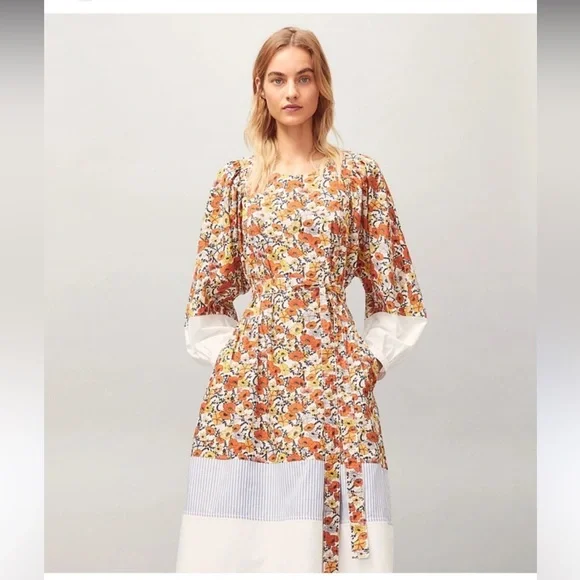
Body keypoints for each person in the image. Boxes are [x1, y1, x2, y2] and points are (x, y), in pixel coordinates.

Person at [175, 26, 428, 574]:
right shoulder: (236, 182)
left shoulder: (357, 177)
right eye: (278, 79)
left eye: (303, 78)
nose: (291, 91)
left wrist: (366, 363)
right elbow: (207, 298)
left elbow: (397, 290)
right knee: (248, 530)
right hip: (256, 378)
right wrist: (234, 361)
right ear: (260, 90)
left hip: (334, 374)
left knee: (337, 518)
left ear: (321, 87)